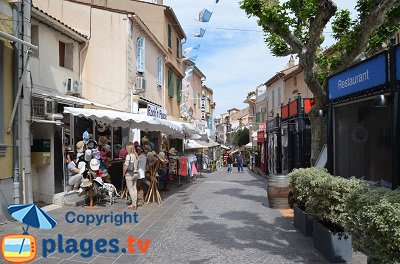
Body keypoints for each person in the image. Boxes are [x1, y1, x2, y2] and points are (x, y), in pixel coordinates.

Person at [123, 142, 139, 210]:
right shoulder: (136, 155)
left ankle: (133, 204)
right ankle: (135, 202)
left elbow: (126, 166)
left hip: (130, 174)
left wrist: (123, 172)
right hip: (136, 173)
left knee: (130, 189)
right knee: (134, 188)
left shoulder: (128, 156)